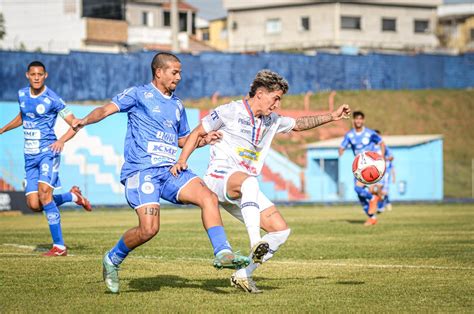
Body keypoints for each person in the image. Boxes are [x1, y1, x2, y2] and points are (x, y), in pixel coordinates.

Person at [72, 52, 250, 294]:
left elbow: (181, 139)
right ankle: (112, 259)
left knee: (208, 197)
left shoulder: (177, 105)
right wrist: (83, 120)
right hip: (142, 170)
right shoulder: (138, 94)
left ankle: (223, 252)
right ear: (159, 72)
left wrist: (204, 139)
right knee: (149, 229)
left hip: (170, 171)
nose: (179, 77)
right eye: (174, 72)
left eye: (180, 72)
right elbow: (105, 110)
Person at [170, 69, 351, 293]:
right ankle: (255, 241)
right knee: (250, 183)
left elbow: (298, 124)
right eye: (275, 98)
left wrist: (332, 116)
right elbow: (197, 132)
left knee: (280, 231)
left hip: (246, 189)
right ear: (261, 93)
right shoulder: (230, 110)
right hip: (219, 178)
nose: (277, 105)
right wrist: (182, 160)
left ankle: (243, 274)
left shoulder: (271, 120)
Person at [0, 61, 92, 257]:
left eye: (39, 74)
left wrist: (62, 141)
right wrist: (3, 129)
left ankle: (59, 246)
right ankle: (73, 196)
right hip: (29, 155)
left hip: (48, 153)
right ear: (27, 75)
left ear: (45, 76)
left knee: (44, 194)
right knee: (34, 205)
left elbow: (75, 124)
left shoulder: (53, 99)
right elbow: (23, 116)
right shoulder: (22, 94)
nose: (36, 77)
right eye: (33, 74)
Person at [339, 111, 385, 226]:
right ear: (353, 120)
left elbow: (381, 142)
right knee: (359, 194)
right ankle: (372, 216)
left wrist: (382, 157)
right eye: (356, 119)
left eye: (360, 119)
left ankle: (375, 199)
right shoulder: (350, 135)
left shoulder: (370, 133)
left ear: (363, 120)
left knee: (359, 189)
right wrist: (341, 150)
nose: (358, 121)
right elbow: (342, 145)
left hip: (370, 166)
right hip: (359, 167)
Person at [373, 130, 395, 212]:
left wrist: (383, 159)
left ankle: (382, 206)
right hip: (375, 172)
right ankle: (381, 204)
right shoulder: (371, 147)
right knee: (374, 190)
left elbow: (392, 157)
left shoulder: (384, 147)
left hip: (385, 173)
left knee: (383, 191)